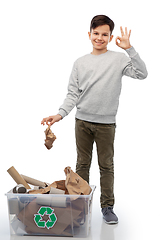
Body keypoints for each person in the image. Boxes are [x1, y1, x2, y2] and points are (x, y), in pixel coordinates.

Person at [41, 15, 148, 224]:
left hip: (106, 124)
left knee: (106, 165)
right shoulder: (80, 63)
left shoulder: (118, 60)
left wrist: (129, 49)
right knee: (82, 164)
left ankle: (107, 207)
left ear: (110, 37)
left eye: (105, 34)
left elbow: (142, 73)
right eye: (96, 33)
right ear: (89, 35)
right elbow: (73, 93)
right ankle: (80, 206)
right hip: (82, 122)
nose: (100, 38)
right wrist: (60, 113)